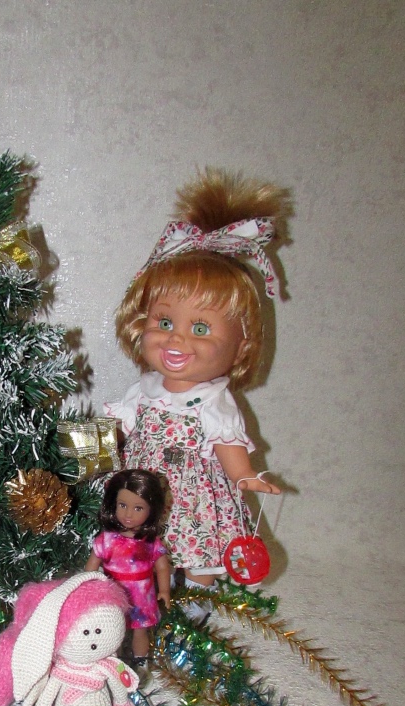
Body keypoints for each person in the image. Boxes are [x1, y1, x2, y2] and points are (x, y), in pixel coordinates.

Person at [106, 168, 290, 616]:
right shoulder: (144, 389)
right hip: (141, 487)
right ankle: (140, 593)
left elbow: (227, 443)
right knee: (141, 540)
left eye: (201, 328)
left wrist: (244, 475)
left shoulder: (212, 400)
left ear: (240, 346)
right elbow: (118, 428)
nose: (176, 339)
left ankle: (196, 607)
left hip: (193, 495)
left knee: (198, 547)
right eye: (165, 322)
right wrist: (98, 448)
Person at [85, 469, 171, 671]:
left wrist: (165, 591)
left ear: (152, 510)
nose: (128, 514)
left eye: (138, 508)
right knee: (114, 631)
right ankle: (114, 665)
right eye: (122, 505)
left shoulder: (150, 542)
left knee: (140, 631)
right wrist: (88, 587)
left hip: (142, 596)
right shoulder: (107, 539)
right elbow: (91, 566)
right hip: (114, 594)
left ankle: (141, 662)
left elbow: (162, 567)